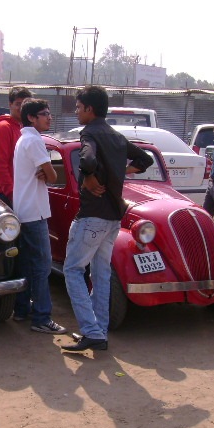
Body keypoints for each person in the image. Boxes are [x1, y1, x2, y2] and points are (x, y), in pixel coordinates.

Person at [61, 86, 154, 352]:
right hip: (113, 218)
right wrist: (118, 173)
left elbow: (87, 157)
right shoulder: (115, 135)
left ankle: (91, 331)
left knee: (72, 270)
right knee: (100, 274)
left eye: (78, 108)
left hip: (92, 216)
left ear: (89, 109)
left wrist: (89, 175)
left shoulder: (89, 132)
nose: (77, 112)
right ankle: (99, 332)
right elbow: (144, 159)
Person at [12, 98, 66, 334]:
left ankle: (22, 309)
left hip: (25, 210)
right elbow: (53, 177)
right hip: (34, 212)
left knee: (26, 264)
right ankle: (42, 318)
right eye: (44, 113)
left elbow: (47, 173)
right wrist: (48, 172)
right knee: (42, 266)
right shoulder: (34, 140)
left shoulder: (24, 138)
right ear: (31, 118)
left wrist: (46, 172)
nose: (49, 117)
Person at [0, 86, 33, 207]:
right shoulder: (4, 128)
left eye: (25, 104)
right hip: (10, 194)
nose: (21, 108)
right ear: (10, 105)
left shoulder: (26, 128)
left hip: (25, 192)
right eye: (18, 104)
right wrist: (12, 193)